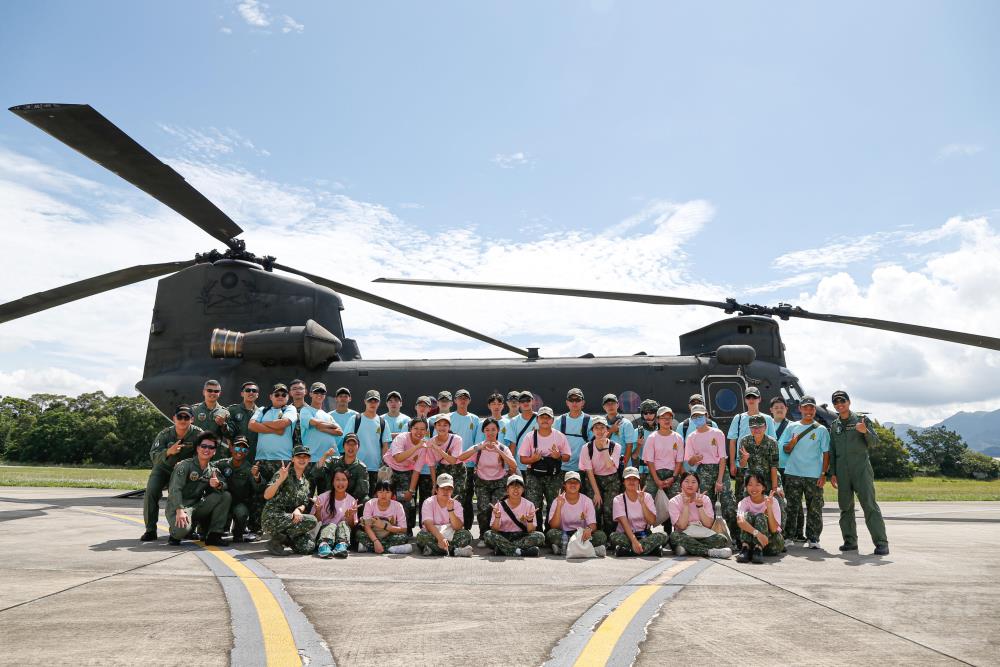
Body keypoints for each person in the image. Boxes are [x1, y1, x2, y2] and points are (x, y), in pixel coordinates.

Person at [829, 390, 889, 555]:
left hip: (861, 469)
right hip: (842, 471)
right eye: (836, 402)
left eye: (843, 401)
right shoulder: (835, 425)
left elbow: (875, 442)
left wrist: (865, 431)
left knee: (869, 505)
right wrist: (832, 473)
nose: (840, 404)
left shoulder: (862, 420)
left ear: (849, 402)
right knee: (845, 507)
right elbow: (832, 450)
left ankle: (881, 543)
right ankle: (850, 541)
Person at [140, 405, 204, 541]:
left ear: (192, 419)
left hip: (185, 471)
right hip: (163, 468)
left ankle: (189, 528)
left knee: (193, 494)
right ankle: (150, 530)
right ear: (174, 418)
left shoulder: (198, 434)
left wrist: (188, 465)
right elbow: (153, 455)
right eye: (180, 416)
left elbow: (203, 454)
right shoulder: (164, 435)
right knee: (151, 492)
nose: (183, 420)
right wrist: (169, 451)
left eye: (186, 417)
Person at [779, 396, 830, 549]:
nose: (808, 411)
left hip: (813, 475)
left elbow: (826, 453)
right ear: (800, 409)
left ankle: (813, 538)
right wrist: (792, 443)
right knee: (792, 507)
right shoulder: (791, 427)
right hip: (793, 472)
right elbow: (785, 449)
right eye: (805, 408)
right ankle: (789, 536)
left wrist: (823, 474)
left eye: (811, 408)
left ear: (814, 410)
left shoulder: (821, 430)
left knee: (814, 508)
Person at [165, 432, 231, 546]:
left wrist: (217, 484)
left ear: (214, 451)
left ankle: (214, 535)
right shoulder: (185, 465)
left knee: (225, 496)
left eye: (211, 447)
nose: (207, 449)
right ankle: (176, 532)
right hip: (179, 507)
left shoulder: (212, 470)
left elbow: (225, 485)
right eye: (204, 446)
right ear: (197, 448)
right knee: (181, 532)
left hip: (197, 506)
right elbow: (175, 489)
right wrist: (179, 510)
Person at [460, 417, 517, 545]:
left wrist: (498, 450)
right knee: (483, 508)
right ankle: (484, 536)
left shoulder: (502, 448)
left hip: (499, 483)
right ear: (483, 431)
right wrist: (478, 448)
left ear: (498, 431)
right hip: (482, 482)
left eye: (493, 430)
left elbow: (513, 465)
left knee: (497, 508)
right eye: (487, 430)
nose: (490, 433)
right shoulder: (478, 447)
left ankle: (497, 534)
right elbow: (461, 458)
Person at [684, 404, 737, 538]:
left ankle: (737, 538)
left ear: (706, 416)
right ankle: (713, 537)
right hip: (702, 471)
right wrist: (694, 459)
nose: (698, 419)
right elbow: (689, 462)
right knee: (708, 505)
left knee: (728, 504)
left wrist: (720, 480)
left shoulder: (717, 433)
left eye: (700, 416)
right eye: (695, 416)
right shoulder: (691, 437)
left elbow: (722, 458)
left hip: (719, 470)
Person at [518, 406, 571, 529]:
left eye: (548, 418)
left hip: (554, 476)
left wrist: (558, 456)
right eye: (542, 417)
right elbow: (522, 459)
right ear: (537, 419)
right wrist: (533, 459)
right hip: (534, 476)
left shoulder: (559, 436)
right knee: (534, 504)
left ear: (553, 420)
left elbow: (567, 457)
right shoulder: (530, 436)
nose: (545, 420)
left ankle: (551, 532)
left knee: (554, 504)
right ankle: (536, 531)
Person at [261, 445, 318, 556]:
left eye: (305, 457)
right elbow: (267, 495)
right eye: (298, 456)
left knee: (308, 547)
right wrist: (280, 480)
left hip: (291, 519)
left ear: (309, 459)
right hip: (273, 517)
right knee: (312, 520)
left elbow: (304, 503)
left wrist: (298, 509)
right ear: (292, 459)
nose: (302, 459)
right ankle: (277, 540)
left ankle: (282, 539)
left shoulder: (306, 482)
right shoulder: (283, 473)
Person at [737, 414, 786, 538]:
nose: (756, 430)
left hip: (770, 477)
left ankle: (779, 534)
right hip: (753, 480)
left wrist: (775, 488)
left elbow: (774, 467)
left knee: (779, 502)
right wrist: (745, 458)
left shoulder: (771, 442)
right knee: (745, 502)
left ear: (765, 427)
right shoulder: (744, 441)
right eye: (753, 427)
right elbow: (742, 465)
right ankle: (746, 536)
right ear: (749, 428)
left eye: (759, 427)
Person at [668, 471, 732, 558]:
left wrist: (700, 506)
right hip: (684, 534)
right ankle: (709, 552)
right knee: (674, 536)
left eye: (694, 482)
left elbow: (708, 524)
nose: (690, 485)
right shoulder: (673, 501)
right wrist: (686, 505)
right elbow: (682, 526)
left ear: (698, 485)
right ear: (681, 484)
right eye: (686, 481)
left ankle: (688, 549)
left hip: (703, 534)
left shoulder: (705, 499)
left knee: (721, 539)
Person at [609, 467, 669, 557]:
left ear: (639, 481)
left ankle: (628, 551)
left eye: (634, 479)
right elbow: (624, 524)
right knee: (614, 536)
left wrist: (642, 503)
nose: (631, 481)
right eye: (628, 479)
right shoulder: (618, 499)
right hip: (627, 536)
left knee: (663, 535)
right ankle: (651, 550)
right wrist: (634, 541)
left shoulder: (647, 496)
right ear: (623, 482)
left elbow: (652, 521)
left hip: (644, 535)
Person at [727, 386, 776, 496]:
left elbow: (773, 442)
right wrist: (732, 464)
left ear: (759, 399)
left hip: (762, 466)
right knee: (741, 496)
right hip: (742, 464)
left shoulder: (767, 419)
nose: (751, 400)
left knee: (763, 497)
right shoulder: (738, 418)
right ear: (745, 400)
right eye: (748, 397)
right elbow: (732, 442)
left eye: (754, 397)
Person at [545, 471, 607, 557]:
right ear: (564, 485)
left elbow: (593, 525)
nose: (573, 485)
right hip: (565, 534)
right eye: (570, 482)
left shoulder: (587, 501)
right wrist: (559, 506)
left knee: (601, 536)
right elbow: (554, 526)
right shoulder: (557, 501)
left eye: (576, 482)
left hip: (582, 534)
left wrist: (589, 529)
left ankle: (564, 549)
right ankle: (590, 550)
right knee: (551, 534)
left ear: (580, 485)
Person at [642, 406, 684, 532]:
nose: (667, 420)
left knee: (676, 502)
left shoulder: (678, 437)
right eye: (663, 418)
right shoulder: (652, 438)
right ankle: (645, 530)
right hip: (656, 474)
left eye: (669, 418)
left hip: (672, 474)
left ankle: (674, 533)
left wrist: (674, 477)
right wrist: (657, 481)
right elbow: (649, 461)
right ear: (658, 420)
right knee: (647, 500)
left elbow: (679, 460)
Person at [578, 416, 623, 535]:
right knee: (595, 507)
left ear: (607, 430)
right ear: (592, 431)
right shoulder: (586, 448)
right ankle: (596, 536)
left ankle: (610, 536)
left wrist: (604, 449)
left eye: (602, 427)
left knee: (609, 509)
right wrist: (597, 493)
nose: (599, 431)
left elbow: (610, 466)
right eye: (596, 428)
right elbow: (589, 471)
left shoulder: (615, 447)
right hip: (594, 479)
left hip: (611, 479)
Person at [483, 474, 546, 556]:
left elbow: (531, 531)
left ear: (523, 490)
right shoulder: (499, 506)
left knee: (540, 536)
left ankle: (503, 549)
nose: (516, 489)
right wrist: (497, 517)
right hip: (503, 535)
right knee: (488, 534)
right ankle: (521, 552)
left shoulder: (529, 505)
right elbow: (494, 530)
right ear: (507, 490)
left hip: (521, 536)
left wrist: (529, 520)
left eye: (519, 487)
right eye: (512, 487)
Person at [383, 418, 428, 532]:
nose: (419, 432)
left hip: (406, 473)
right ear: (410, 429)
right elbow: (398, 458)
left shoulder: (424, 447)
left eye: (422, 429)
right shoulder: (402, 437)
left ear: (426, 431)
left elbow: (417, 471)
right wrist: (416, 447)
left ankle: (406, 529)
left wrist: (411, 491)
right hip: (389, 470)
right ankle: (385, 528)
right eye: (416, 428)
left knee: (407, 500)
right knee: (384, 497)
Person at [216, 435, 262, 542]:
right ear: (231, 448)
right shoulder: (222, 464)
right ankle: (213, 529)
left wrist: (256, 477)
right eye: (237, 448)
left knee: (241, 512)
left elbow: (258, 487)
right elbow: (207, 468)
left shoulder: (249, 469)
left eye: (243, 449)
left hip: (239, 503)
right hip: (223, 503)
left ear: (247, 452)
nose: (239, 451)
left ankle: (238, 532)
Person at [414, 473, 474, 557]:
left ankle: (433, 550)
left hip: (450, 533)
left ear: (452, 491)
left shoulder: (456, 504)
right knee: (421, 536)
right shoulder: (428, 502)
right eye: (443, 488)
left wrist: (450, 510)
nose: (446, 491)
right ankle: (454, 551)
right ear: (436, 490)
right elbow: (428, 524)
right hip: (434, 533)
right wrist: (440, 538)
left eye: (449, 489)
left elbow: (457, 527)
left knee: (466, 535)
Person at [343, 390, 392, 490]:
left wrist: (383, 465)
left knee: (372, 500)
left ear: (379, 403)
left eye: (375, 401)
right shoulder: (355, 419)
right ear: (365, 401)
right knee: (353, 499)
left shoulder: (383, 422)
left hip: (375, 468)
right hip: (355, 467)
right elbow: (347, 442)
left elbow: (385, 445)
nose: (373, 403)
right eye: (370, 401)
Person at [249, 384, 298, 484]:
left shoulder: (290, 409)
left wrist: (263, 423)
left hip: (283, 460)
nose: (280, 396)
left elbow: (283, 423)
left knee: (281, 494)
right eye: (277, 394)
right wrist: (276, 430)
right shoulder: (262, 410)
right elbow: (251, 425)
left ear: (288, 397)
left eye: (284, 395)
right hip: (262, 459)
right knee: (260, 492)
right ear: (271, 396)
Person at [771, 396, 804, 541]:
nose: (779, 409)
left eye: (782, 407)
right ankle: (778, 529)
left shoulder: (793, 426)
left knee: (793, 500)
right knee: (774, 500)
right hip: (772, 468)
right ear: (771, 410)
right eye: (776, 407)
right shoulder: (767, 425)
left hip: (789, 468)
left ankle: (798, 532)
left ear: (786, 410)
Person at [449, 389, 481, 531]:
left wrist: (475, 463)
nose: (462, 401)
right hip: (450, 464)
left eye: (465, 398)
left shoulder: (474, 419)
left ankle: (466, 528)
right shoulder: (448, 417)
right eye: (460, 398)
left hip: (468, 465)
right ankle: (451, 526)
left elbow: (476, 443)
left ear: (469, 401)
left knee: (467, 497)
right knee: (451, 495)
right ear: (455, 401)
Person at [735, 472, 784, 563]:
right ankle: (745, 548)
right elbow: (740, 521)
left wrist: (769, 507)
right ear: (746, 487)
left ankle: (758, 549)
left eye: (757, 485)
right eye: (750, 485)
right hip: (753, 542)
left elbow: (774, 529)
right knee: (747, 516)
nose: (754, 488)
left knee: (761, 517)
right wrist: (758, 534)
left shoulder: (772, 501)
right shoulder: (744, 502)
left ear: (763, 487)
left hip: (771, 543)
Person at [357, 480, 412, 554]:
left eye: (387, 492)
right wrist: (375, 541)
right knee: (358, 534)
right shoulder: (370, 504)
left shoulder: (398, 506)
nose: (383, 495)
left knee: (404, 537)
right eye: (380, 492)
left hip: (389, 535)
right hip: (372, 535)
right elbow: (367, 527)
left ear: (392, 494)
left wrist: (384, 526)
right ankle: (391, 549)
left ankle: (368, 547)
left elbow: (403, 529)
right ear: (376, 493)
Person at [313, 469, 358, 558]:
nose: (340, 483)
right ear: (333, 482)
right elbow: (316, 522)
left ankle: (341, 547)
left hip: (342, 537)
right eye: (337, 479)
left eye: (344, 480)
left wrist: (350, 516)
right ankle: (323, 546)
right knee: (331, 525)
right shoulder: (322, 497)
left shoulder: (352, 501)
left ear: (348, 482)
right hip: (325, 534)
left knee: (343, 524)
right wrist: (318, 510)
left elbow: (351, 526)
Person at [312, 433, 369, 503]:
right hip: (330, 498)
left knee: (366, 499)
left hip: (349, 502)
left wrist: (346, 502)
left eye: (354, 444)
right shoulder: (333, 461)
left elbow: (362, 492)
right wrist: (325, 455)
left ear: (358, 447)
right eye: (348, 444)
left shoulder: (361, 467)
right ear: (343, 446)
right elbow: (316, 473)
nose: (351, 447)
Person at [299, 382, 343, 468]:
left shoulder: (328, 415)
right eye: (316, 392)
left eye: (322, 393)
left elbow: (340, 432)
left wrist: (324, 429)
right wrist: (331, 426)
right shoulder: (305, 411)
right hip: (313, 459)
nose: (319, 395)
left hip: (332, 459)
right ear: (311, 394)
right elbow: (314, 422)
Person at [190, 379, 231, 459]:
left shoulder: (225, 412)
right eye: (209, 390)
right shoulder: (193, 410)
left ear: (219, 393)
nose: (213, 393)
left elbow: (230, 435)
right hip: (195, 453)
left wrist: (223, 425)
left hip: (215, 454)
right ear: (204, 392)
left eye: (216, 391)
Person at [557, 388, 592, 474]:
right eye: (571, 400)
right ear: (567, 402)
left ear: (583, 402)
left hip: (583, 468)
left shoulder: (590, 421)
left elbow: (595, 444)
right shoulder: (559, 420)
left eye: (577, 400)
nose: (574, 403)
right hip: (561, 468)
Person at [603, 394, 637, 477]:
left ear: (617, 405)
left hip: (622, 463)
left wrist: (624, 465)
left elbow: (629, 446)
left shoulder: (626, 423)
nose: (610, 406)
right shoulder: (600, 423)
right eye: (608, 404)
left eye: (613, 403)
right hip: (605, 464)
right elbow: (597, 442)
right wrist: (611, 431)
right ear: (604, 407)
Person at [226, 381, 260, 462]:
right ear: (242, 393)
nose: (251, 392)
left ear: (257, 395)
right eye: (248, 390)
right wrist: (230, 446)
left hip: (254, 455)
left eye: (254, 391)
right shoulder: (232, 410)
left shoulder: (261, 413)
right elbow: (225, 431)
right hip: (236, 453)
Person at [505, 390, 539, 472]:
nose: (525, 403)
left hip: (538, 464)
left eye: (528, 400)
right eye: (522, 401)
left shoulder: (541, 418)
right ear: (519, 403)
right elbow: (512, 445)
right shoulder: (513, 421)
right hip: (520, 466)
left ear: (533, 401)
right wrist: (512, 466)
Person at [633, 398, 659, 480]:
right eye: (645, 413)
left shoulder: (663, 430)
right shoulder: (638, 432)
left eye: (651, 412)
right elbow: (634, 456)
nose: (648, 415)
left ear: (656, 413)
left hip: (661, 468)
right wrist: (638, 446)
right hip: (644, 470)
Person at [329, 387, 359, 452]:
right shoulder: (328, 416)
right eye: (340, 396)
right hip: (333, 452)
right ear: (336, 399)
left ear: (350, 399)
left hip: (351, 452)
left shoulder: (356, 416)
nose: (343, 398)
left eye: (345, 396)